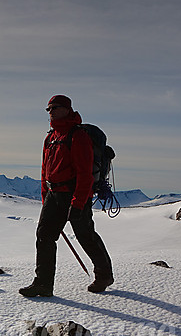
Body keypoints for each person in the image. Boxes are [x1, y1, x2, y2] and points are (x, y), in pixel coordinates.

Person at [19, 95, 114, 297]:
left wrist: (78, 202)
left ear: (67, 109)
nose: (50, 111)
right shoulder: (50, 137)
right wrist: (46, 197)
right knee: (44, 237)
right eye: (49, 109)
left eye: (55, 107)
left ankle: (104, 275)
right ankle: (43, 284)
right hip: (54, 195)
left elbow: (84, 172)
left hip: (74, 194)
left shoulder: (78, 136)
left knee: (85, 236)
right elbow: (45, 171)